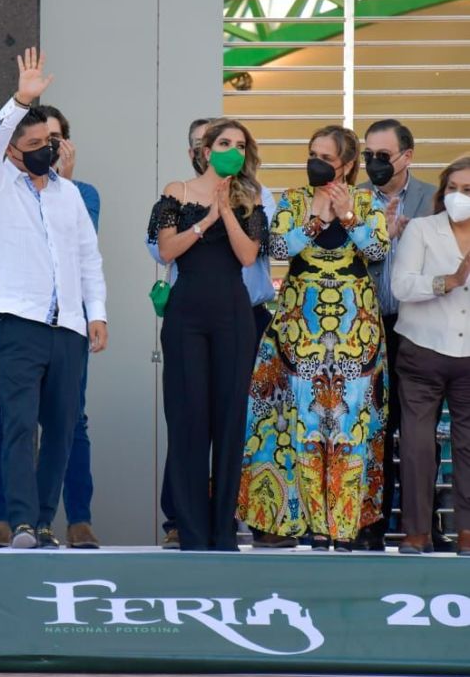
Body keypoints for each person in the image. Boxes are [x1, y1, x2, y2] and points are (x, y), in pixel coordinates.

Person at [0, 48, 108, 549]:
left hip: (68, 326)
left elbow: (88, 257)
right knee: (19, 423)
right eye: (32, 144)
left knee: (63, 428)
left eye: (48, 142)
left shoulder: (68, 194)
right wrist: (20, 101)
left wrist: (97, 314)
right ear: (13, 151)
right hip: (19, 322)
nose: (44, 150)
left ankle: (45, 522)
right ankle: (21, 521)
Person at [238, 125, 389, 551]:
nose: (316, 163)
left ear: (347, 164)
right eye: (312, 154)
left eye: (326, 157)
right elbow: (278, 250)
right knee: (297, 422)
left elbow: (377, 251)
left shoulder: (366, 201)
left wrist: (347, 216)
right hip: (299, 330)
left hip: (354, 333)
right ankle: (300, 523)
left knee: (349, 423)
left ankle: (342, 525)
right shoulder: (294, 199)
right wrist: (317, 219)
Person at [147, 117, 276, 549]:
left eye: (240, 146)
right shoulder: (177, 191)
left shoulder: (249, 197)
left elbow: (248, 256)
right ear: (205, 151)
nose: (233, 151)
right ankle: (190, 531)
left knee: (228, 421)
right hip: (186, 315)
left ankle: (223, 531)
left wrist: (227, 211)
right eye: (225, 143)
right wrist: (205, 220)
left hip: (233, 316)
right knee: (188, 420)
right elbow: (166, 249)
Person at [355, 119, 440, 551]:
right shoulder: (353, 199)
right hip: (365, 330)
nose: (374, 163)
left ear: (407, 156)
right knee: (372, 429)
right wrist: (379, 237)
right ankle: (370, 523)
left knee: (418, 432)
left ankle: (422, 525)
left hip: (418, 329)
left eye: (383, 155)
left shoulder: (433, 199)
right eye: (368, 154)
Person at [392, 156, 470, 555]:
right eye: (452, 188)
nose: (458, 196)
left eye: (467, 190)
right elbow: (401, 286)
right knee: (417, 445)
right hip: (422, 351)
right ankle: (416, 532)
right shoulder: (422, 229)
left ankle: (467, 533)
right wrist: (448, 281)